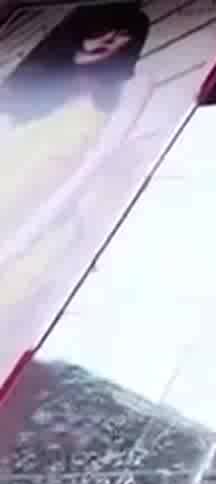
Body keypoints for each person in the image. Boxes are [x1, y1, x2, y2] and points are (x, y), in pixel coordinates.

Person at [0, 2, 153, 353]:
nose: (110, 40)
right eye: (103, 29)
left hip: (37, 229)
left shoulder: (129, 89)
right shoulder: (28, 87)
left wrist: (19, 242)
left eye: (123, 37)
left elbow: (86, 173)